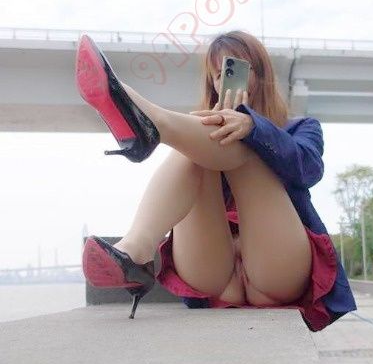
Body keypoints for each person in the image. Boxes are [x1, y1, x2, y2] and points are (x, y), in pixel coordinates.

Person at [75, 30, 357, 331]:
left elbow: (309, 170)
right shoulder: (200, 132)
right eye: (218, 75)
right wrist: (209, 130)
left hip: (277, 270)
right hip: (215, 277)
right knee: (198, 144)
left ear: (260, 74)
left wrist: (253, 126)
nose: (225, 79)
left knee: (239, 142)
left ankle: (155, 123)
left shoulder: (301, 127)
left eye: (235, 69)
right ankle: (135, 251)